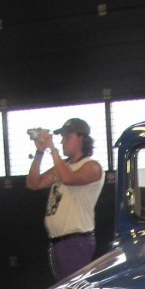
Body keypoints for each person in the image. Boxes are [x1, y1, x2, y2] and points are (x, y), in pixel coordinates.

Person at [25, 117, 104, 280]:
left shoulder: (91, 166)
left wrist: (52, 149)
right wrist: (40, 152)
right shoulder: (62, 167)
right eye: (62, 137)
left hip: (76, 242)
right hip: (57, 242)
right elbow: (34, 183)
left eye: (68, 137)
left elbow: (69, 179)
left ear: (82, 138)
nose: (63, 142)